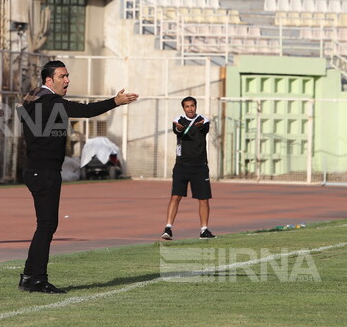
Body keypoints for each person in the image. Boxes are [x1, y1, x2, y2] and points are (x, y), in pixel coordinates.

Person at [18, 60, 138, 294]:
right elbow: (84, 111)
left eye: (67, 75)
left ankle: (29, 276)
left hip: (36, 168)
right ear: (49, 80)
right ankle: (37, 279)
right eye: (62, 76)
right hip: (44, 171)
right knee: (47, 225)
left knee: (45, 225)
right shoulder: (50, 100)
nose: (67, 80)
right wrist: (115, 101)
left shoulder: (34, 97)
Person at [161, 96, 214, 240]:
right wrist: (178, 128)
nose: (190, 109)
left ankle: (204, 230)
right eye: (187, 106)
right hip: (181, 166)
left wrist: (200, 126)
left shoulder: (203, 120)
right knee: (175, 196)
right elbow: (177, 130)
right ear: (183, 108)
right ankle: (168, 228)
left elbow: (204, 127)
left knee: (203, 199)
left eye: (192, 106)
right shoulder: (178, 120)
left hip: (200, 166)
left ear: (196, 106)